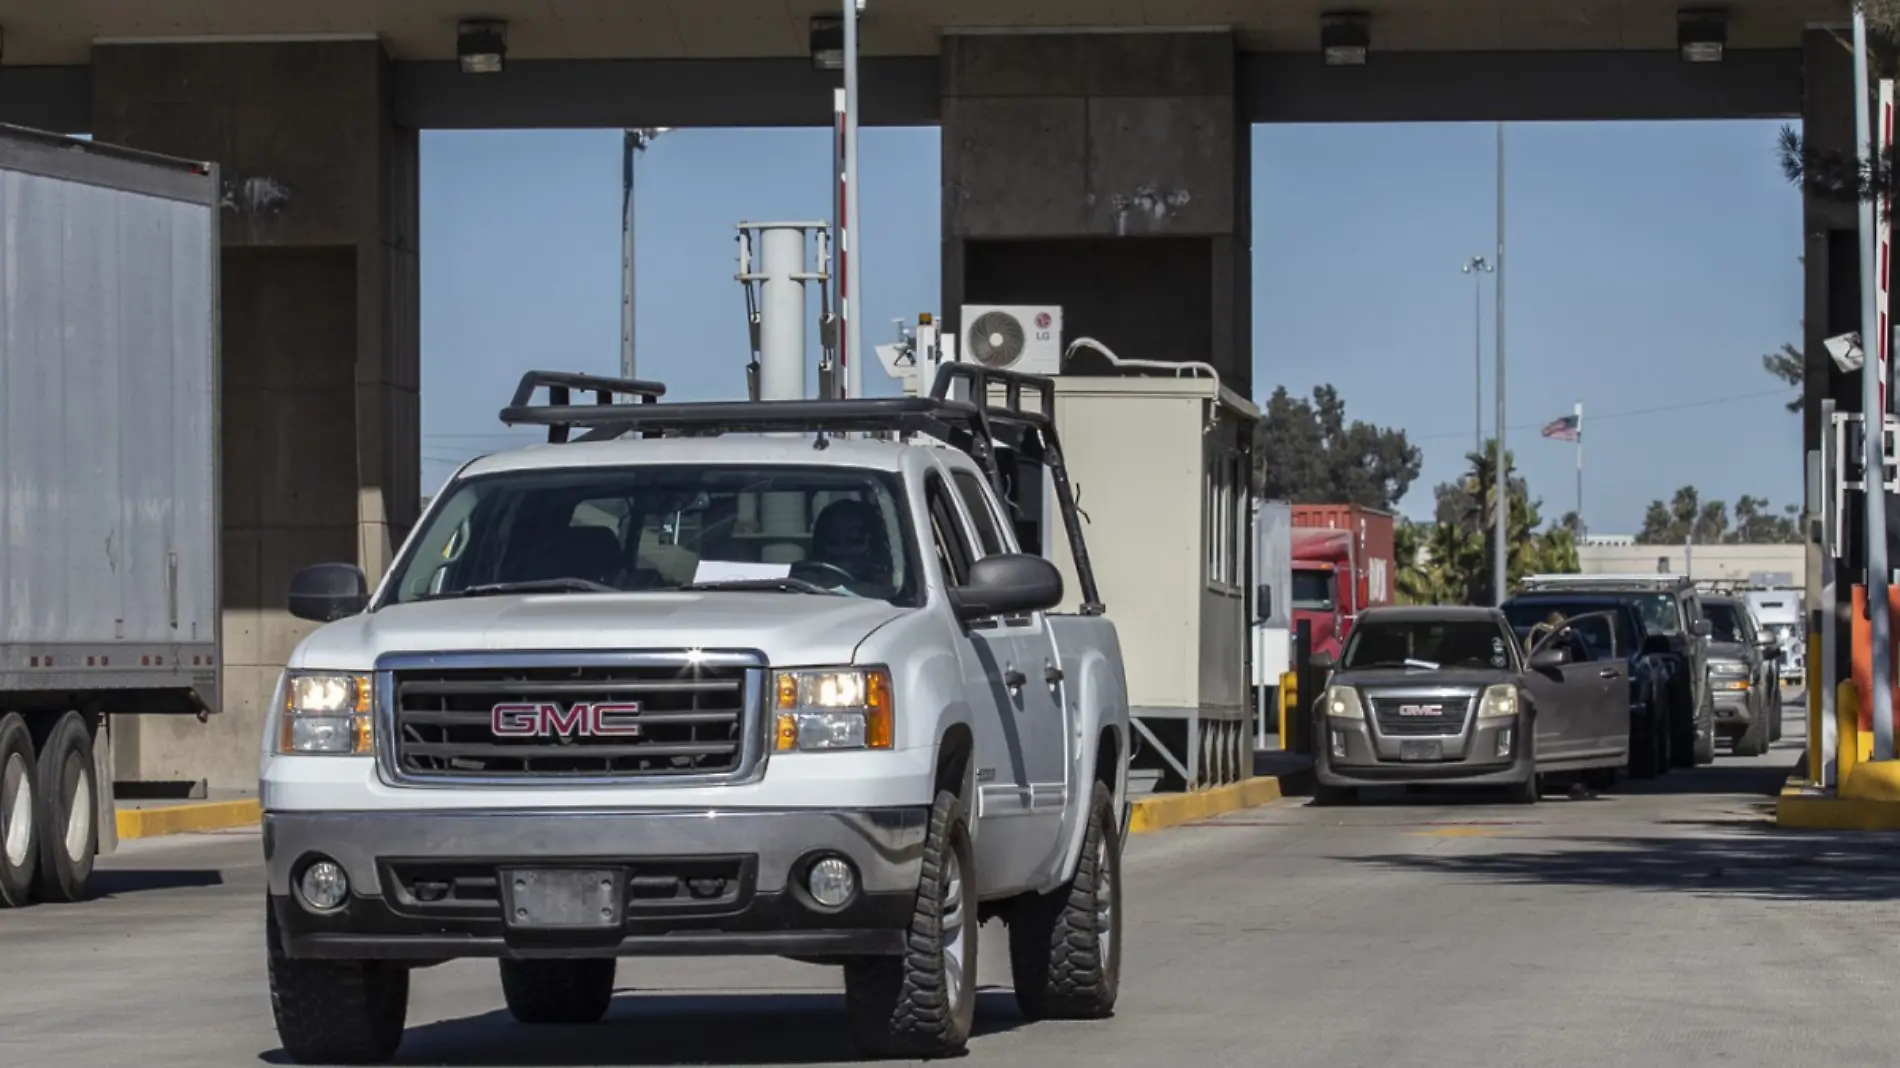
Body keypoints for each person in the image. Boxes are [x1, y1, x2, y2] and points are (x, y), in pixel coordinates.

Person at [806, 498, 894, 591]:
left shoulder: (887, 587)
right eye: (833, 540)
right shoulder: (806, 582)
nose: (843, 549)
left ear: (873, 542)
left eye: (854, 539)